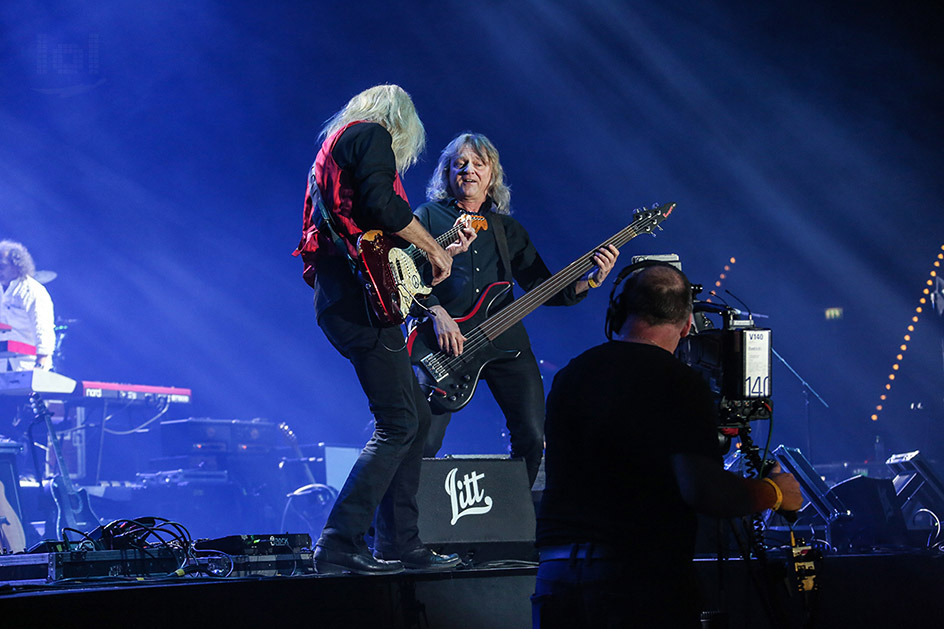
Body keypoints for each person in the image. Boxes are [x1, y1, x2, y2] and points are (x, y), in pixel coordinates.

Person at [532, 264, 803, 628]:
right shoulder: (680, 383)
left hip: (557, 578)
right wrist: (775, 492)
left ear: (616, 313)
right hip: (635, 584)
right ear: (688, 324)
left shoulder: (571, 375)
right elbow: (705, 491)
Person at [292, 85, 475, 575]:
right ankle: (339, 541)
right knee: (398, 423)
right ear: (401, 124)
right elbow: (383, 207)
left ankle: (401, 543)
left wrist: (427, 255)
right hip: (358, 303)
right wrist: (433, 248)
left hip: (348, 296)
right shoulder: (370, 135)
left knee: (412, 420)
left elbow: (373, 242)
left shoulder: (334, 150)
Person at [413, 132, 619, 487]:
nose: (469, 170)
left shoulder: (507, 229)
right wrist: (437, 311)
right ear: (446, 173)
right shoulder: (427, 218)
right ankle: (403, 527)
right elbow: (405, 277)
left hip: (507, 344)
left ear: (492, 175)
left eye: (479, 163)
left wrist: (591, 281)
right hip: (445, 344)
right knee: (423, 441)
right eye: (460, 163)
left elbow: (544, 288)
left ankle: (516, 521)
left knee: (532, 434)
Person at [0, 240, 55, 372]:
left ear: (17, 265)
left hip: (26, 365)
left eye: (2, 266)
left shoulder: (33, 291)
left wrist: (40, 363)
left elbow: (42, 328)